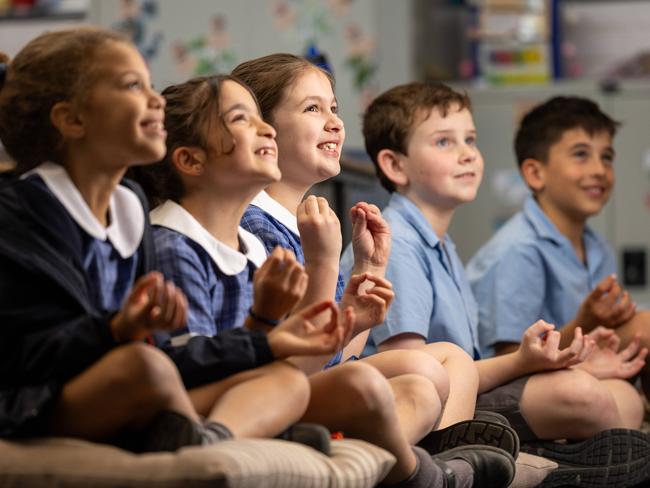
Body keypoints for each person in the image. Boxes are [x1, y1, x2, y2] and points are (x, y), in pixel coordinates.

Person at [134, 72, 516, 488]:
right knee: (365, 380)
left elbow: (302, 353)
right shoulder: (181, 245)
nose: (264, 130)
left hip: (266, 386)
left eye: (334, 107)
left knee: (422, 384)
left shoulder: (249, 243)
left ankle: (418, 465)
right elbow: (215, 364)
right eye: (243, 119)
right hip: (220, 399)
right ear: (191, 160)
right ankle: (420, 472)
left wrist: (355, 303)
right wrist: (323, 266)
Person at [0, 28, 348, 453]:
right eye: (132, 86)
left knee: (285, 382)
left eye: (150, 84)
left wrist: (262, 333)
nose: (156, 100)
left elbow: (177, 352)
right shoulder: (22, 215)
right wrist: (115, 330)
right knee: (143, 364)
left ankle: (209, 434)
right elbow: (24, 356)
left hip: (139, 384)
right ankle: (217, 434)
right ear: (72, 120)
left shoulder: (128, 208)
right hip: (38, 407)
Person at [347, 81, 650, 486]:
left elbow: (467, 363)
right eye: (444, 142)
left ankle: (539, 456)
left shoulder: (440, 243)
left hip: (468, 385)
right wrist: (525, 362)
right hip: (430, 399)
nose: (468, 153)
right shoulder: (397, 243)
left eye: (470, 139)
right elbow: (421, 375)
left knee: (626, 401)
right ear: (395, 165)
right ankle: (534, 459)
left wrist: (566, 358)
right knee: (584, 395)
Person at [233, 55, 498, 443]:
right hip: (285, 388)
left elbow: (343, 351)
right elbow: (307, 358)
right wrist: (330, 261)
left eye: (335, 109)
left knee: (451, 360)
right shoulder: (255, 225)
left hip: (317, 377)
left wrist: (369, 268)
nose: (336, 123)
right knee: (424, 369)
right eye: (312, 108)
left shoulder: (308, 220)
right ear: (264, 131)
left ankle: (448, 463)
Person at [466, 95, 650, 393]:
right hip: (516, 389)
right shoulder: (518, 250)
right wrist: (585, 322)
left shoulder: (597, 247)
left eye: (606, 157)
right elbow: (508, 359)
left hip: (579, 370)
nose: (599, 170)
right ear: (535, 173)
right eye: (581, 154)